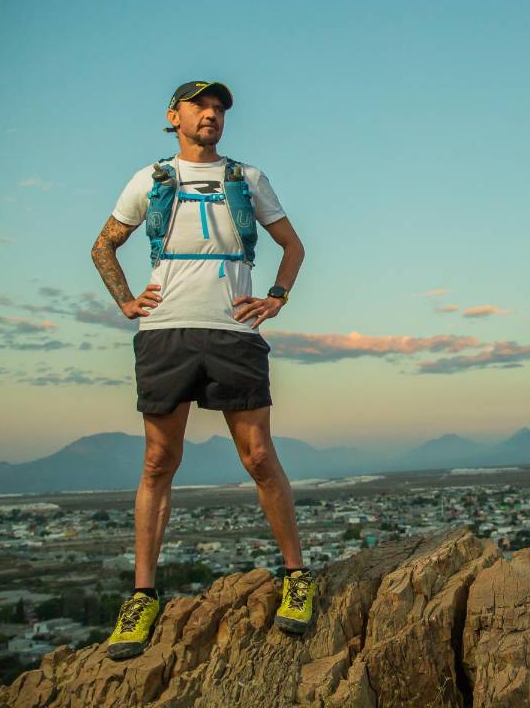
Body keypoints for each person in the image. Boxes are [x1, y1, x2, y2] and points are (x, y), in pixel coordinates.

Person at [90, 80, 315, 660]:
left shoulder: (248, 178)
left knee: (259, 456)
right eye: (201, 106)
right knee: (158, 460)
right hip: (163, 332)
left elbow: (292, 245)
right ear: (174, 116)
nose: (212, 114)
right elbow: (103, 247)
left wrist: (276, 297)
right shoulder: (149, 179)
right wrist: (125, 302)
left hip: (235, 331)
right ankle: (142, 596)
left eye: (219, 109)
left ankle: (296, 577)